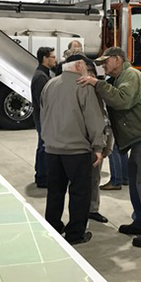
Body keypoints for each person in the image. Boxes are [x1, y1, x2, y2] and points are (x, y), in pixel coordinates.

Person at [78, 47, 141, 248]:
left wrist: (97, 83)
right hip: (140, 139)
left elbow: (122, 100)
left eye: (106, 62)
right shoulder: (119, 79)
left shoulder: (131, 75)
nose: (103, 66)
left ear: (118, 59)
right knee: (138, 185)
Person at [40, 54, 106, 245]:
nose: (89, 72)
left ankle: (52, 226)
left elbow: (43, 113)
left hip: (52, 149)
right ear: (79, 65)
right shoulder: (83, 86)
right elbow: (94, 119)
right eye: (87, 67)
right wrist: (98, 146)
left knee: (55, 191)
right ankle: (75, 233)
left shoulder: (50, 84)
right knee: (79, 192)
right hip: (76, 150)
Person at [83, 57, 113, 223]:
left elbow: (105, 118)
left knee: (94, 179)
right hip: (80, 144)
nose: (89, 75)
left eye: (91, 72)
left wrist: (107, 144)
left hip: (97, 142)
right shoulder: (76, 91)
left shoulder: (99, 90)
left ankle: (92, 209)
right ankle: (80, 212)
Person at [31, 47, 57, 188]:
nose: (55, 60)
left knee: (42, 145)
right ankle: (42, 177)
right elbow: (44, 101)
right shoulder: (41, 77)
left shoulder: (43, 74)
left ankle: (41, 175)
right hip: (43, 118)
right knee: (43, 146)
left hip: (43, 118)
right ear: (45, 59)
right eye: (52, 57)